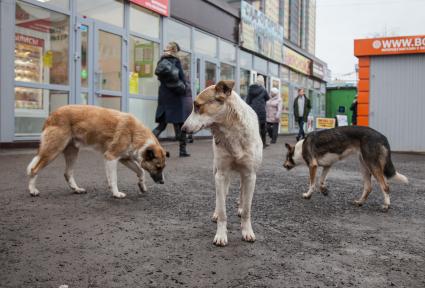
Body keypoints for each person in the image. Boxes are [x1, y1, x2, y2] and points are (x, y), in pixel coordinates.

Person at [153, 42, 190, 157]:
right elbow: (182, 78)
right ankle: (182, 151)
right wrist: (185, 87)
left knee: (161, 125)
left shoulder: (161, 62)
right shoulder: (175, 61)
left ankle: (146, 144)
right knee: (180, 123)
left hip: (164, 96)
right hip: (176, 97)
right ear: (175, 51)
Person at [246, 75, 269, 147]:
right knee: (262, 127)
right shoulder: (263, 90)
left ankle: (253, 144)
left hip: (252, 110)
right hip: (261, 110)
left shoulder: (250, 89)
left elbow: (248, 100)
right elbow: (268, 98)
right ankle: (263, 143)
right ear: (262, 82)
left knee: (253, 127)